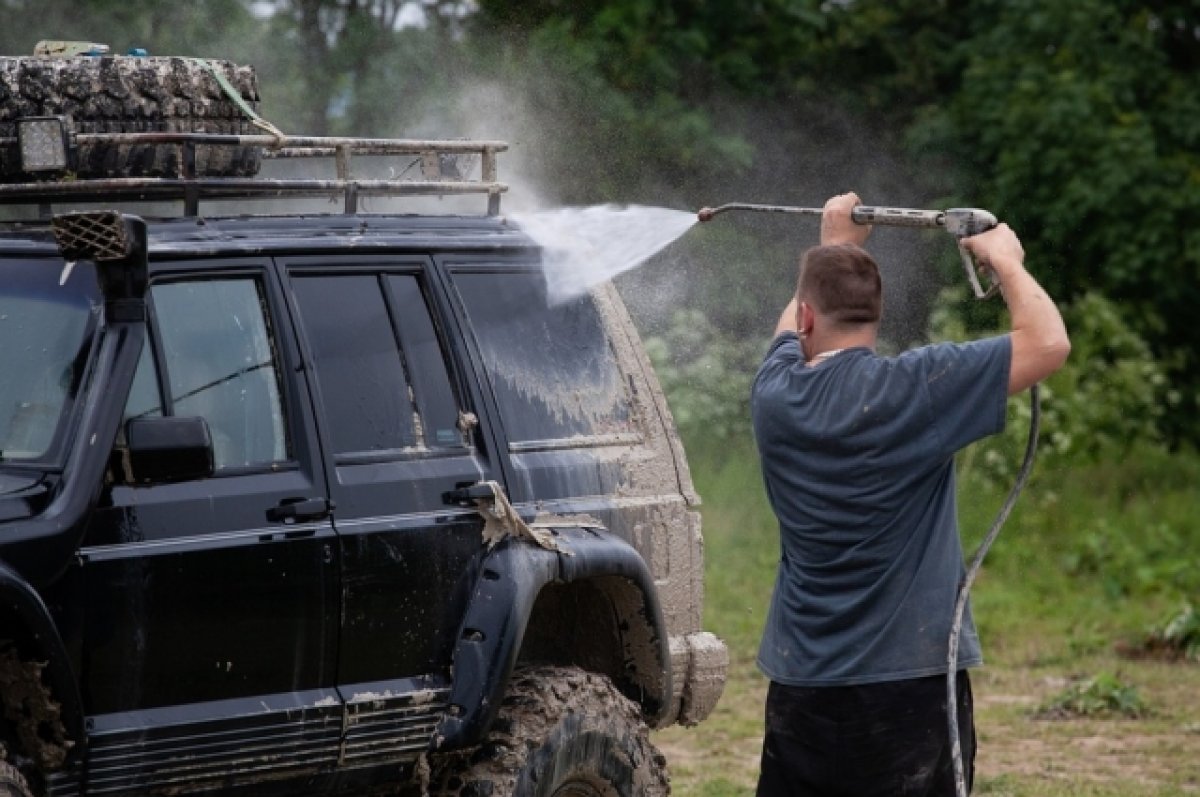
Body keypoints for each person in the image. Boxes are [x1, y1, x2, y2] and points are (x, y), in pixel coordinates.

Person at [750, 192, 1070, 796]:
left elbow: (789, 329)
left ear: (810, 319)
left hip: (803, 687)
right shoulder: (917, 389)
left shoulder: (775, 394)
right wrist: (1006, 261)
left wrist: (836, 246)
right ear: (878, 314)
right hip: (909, 688)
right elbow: (1048, 343)